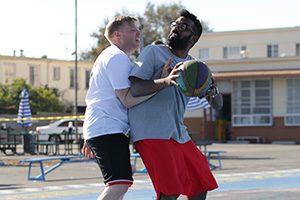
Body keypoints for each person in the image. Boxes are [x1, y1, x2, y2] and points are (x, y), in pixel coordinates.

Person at [128, 9, 223, 200]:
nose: (175, 29)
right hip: (152, 132)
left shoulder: (196, 68)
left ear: (193, 38)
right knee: (170, 193)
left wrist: (212, 92)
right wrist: (166, 81)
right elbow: (136, 89)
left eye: (182, 27)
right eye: (174, 25)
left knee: (200, 185)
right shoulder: (153, 52)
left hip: (178, 133)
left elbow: (218, 104)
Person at [82, 15, 160, 200]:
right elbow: (127, 99)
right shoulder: (117, 57)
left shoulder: (111, 56)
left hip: (104, 127)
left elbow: (98, 96)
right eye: (132, 29)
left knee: (121, 182)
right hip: (106, 128)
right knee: (119, 183)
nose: (138, 33)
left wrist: (89, 134)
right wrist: (161, 85)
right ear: (118, 35)